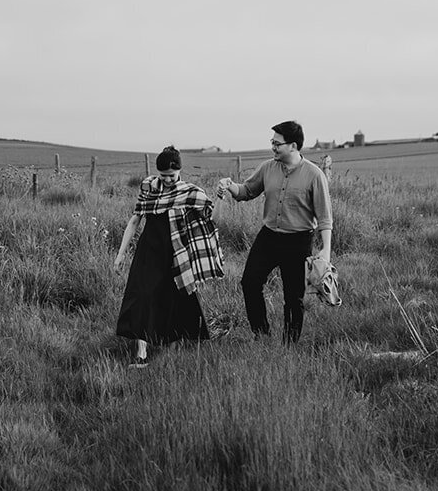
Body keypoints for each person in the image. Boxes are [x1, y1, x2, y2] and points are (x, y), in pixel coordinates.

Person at [219, 120, 333, 343]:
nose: (272, 147)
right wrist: (229, 185)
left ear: (292, 145)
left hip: (298, 241)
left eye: (276, 143)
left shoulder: (314, 175)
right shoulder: (267, 167)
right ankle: (261, 335)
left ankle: (289, 344)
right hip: (268, 237)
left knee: (294, 297)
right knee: (249, 283)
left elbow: (325, 218)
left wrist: (326, 249)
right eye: (272, 142)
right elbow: (246, 191)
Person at [114, 146, 224, 368]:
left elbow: (212, 217)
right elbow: (135, 220)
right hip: (148, 250)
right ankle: (140, 353)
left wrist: (221, 196)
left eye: (171, 176)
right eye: (163, 176)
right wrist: (121, 253)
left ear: (179, 171)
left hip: (175, 253)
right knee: (141, 296)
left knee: (174, 298)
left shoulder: (190, 192)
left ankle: (171, 345)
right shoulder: (148, 186)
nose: (167, 180)